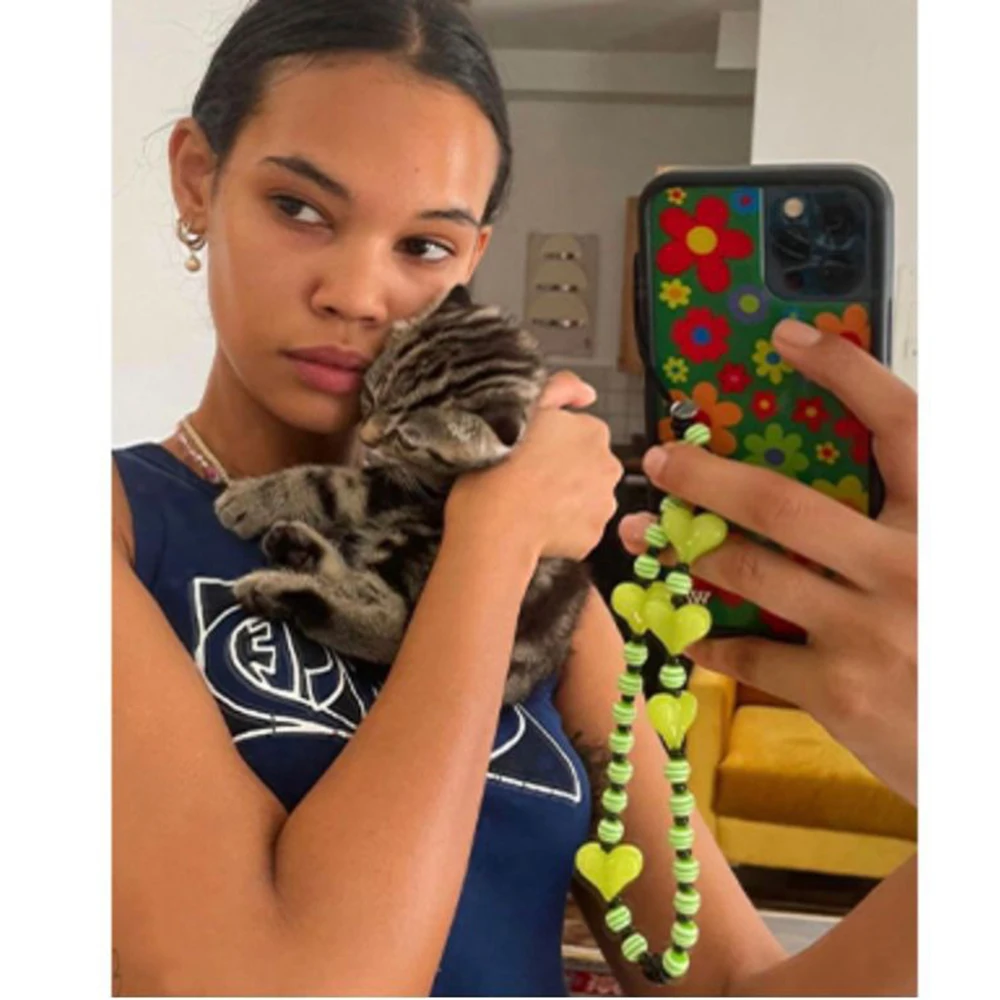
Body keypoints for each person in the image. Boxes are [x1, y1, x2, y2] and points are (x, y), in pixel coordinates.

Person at [111, 0, 917, 995]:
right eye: (300, 208)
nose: (357, 294)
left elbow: (724, 984)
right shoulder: (106, 526)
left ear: (472, 257)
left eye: (424, 246)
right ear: (198, 177)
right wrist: (490, 538)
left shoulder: (554, 595)